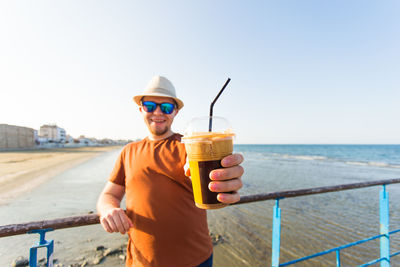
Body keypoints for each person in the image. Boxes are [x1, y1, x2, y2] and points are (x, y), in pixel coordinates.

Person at [97, 75, 244, 267]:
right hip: (141, 261)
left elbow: (209, 173)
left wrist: (227, 183)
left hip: (196, 260)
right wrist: (108, 209)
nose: (158, 112)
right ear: (141, 109)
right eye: (150, 105)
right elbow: (108, 194)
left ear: (175, 112)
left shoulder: (191, 147)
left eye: (166, 107)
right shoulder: (129, 151)